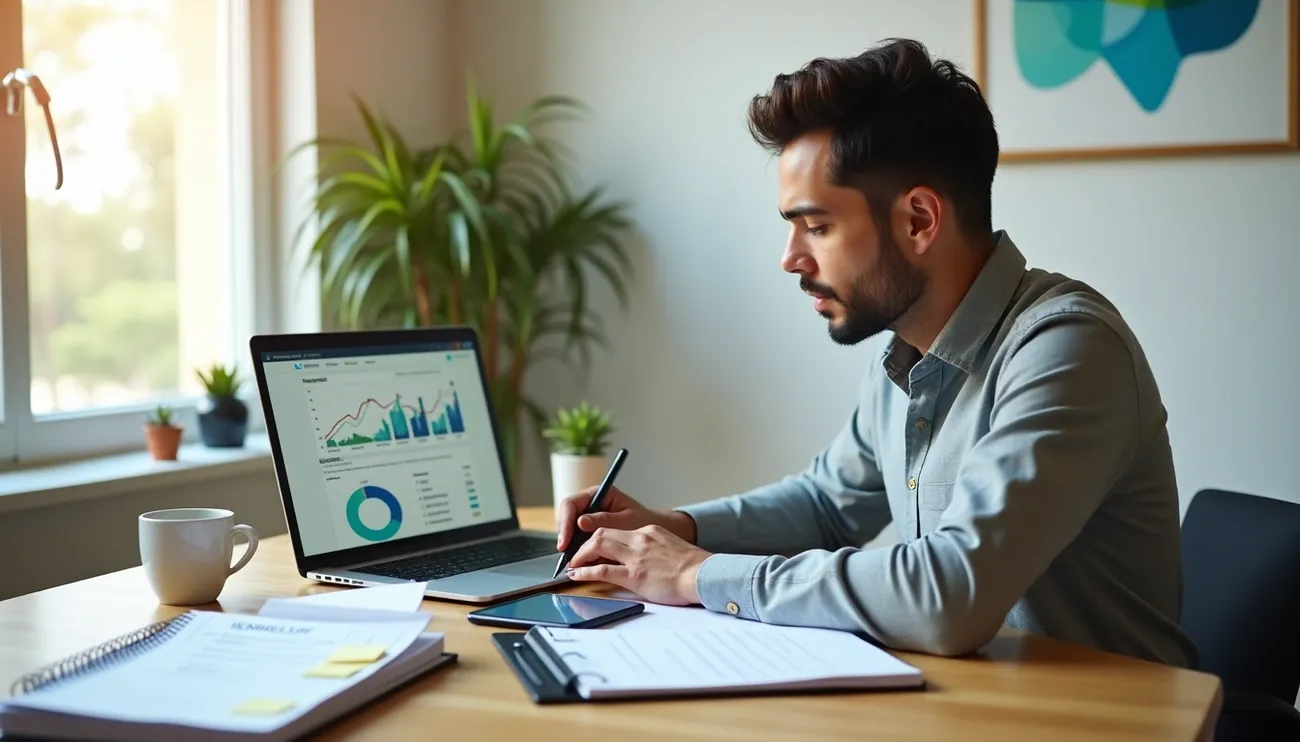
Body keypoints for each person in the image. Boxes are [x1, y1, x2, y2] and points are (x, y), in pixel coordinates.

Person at [554, 38, 1196, 667]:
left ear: (919, 221)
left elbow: (949, 596)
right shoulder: (907, 350)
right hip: (974, 707)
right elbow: (827, 505)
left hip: (1101, 717)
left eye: (817, 226)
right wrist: (675, 528)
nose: (790, 259)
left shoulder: (1067, 350)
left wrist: (697, 575)